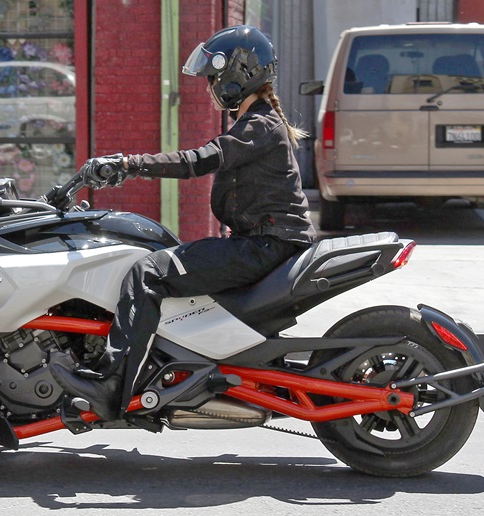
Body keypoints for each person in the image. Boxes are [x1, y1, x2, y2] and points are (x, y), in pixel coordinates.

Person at [49, 25, 316, 420]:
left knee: (147, 273)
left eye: (213, 78)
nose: (210, 87)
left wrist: (128, 164)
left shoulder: (260, 126)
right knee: (160, 256)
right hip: (265, 242)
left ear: (236, 74)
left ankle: (112, 385)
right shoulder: (257, 123)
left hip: (266, 245)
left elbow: (199, 160)